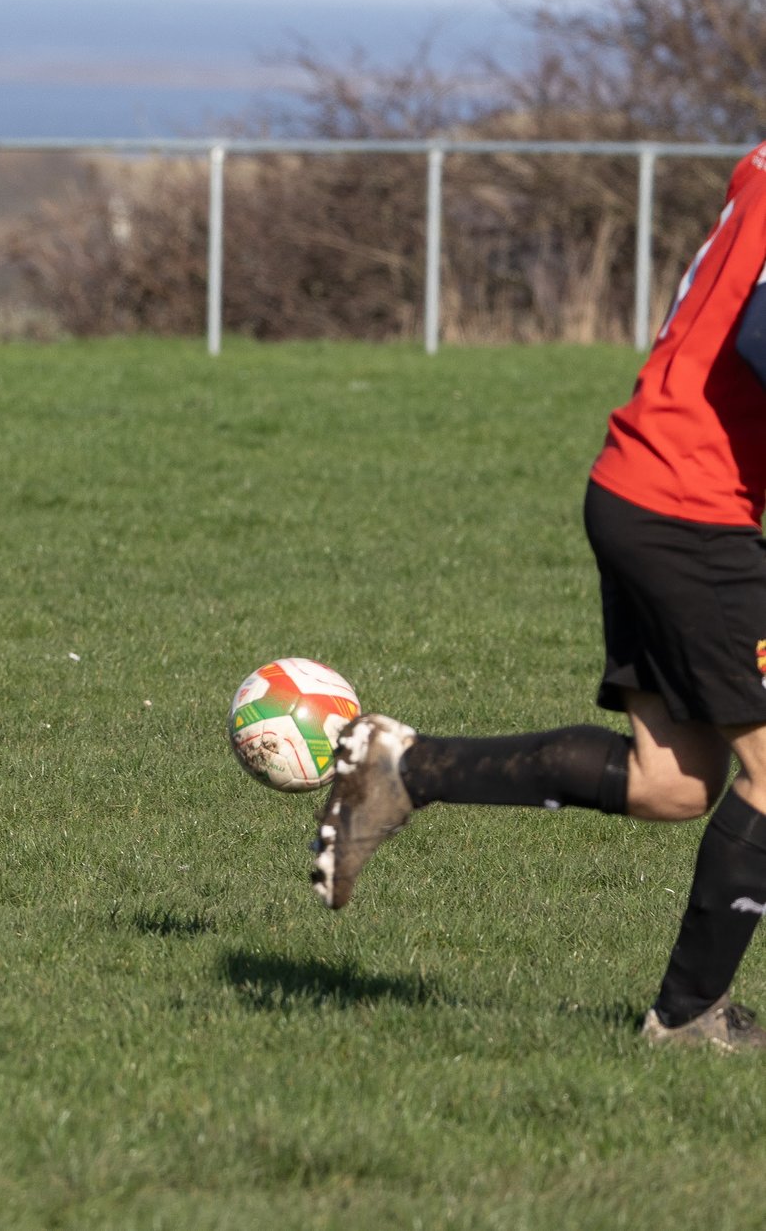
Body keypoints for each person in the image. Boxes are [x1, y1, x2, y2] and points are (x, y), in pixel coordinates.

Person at [315, 139, 766, 1048]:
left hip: (646, 487)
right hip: (690, 506)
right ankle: (685, 1021)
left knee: (672, 781)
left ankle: (408, 771)